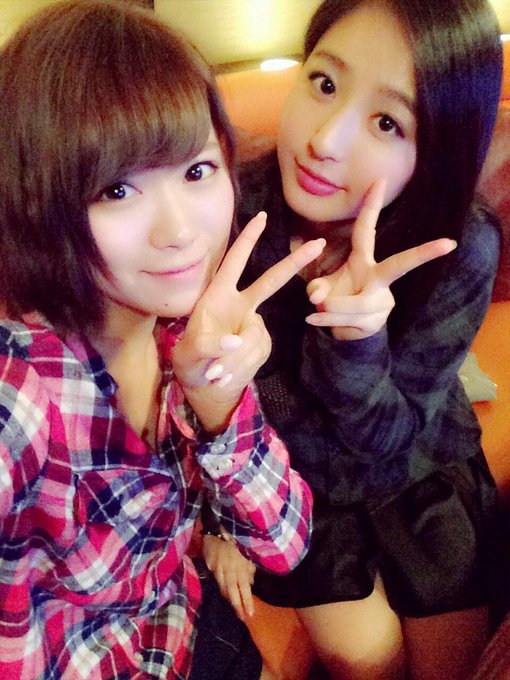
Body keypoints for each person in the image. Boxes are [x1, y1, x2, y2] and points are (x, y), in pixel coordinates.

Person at [0, 2, 326, 678]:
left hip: (179, 621)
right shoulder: (21, 400)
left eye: (197, 171)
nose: (178, 232)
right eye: (116, 189)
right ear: (37, 203)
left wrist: (220, 403)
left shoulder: (187, 328)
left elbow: (284, 543)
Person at [202, 0, 505, 678]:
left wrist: (356, 342)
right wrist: (221, 519)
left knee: (451, 666)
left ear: (440, 148)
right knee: (368, 662)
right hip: (296, 484)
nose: (326, 139)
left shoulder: (458, 247)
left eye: (388, 122)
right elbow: (195, 379)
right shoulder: (232, 212)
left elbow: (390, 436)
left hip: (417, 466)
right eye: (324, 83)